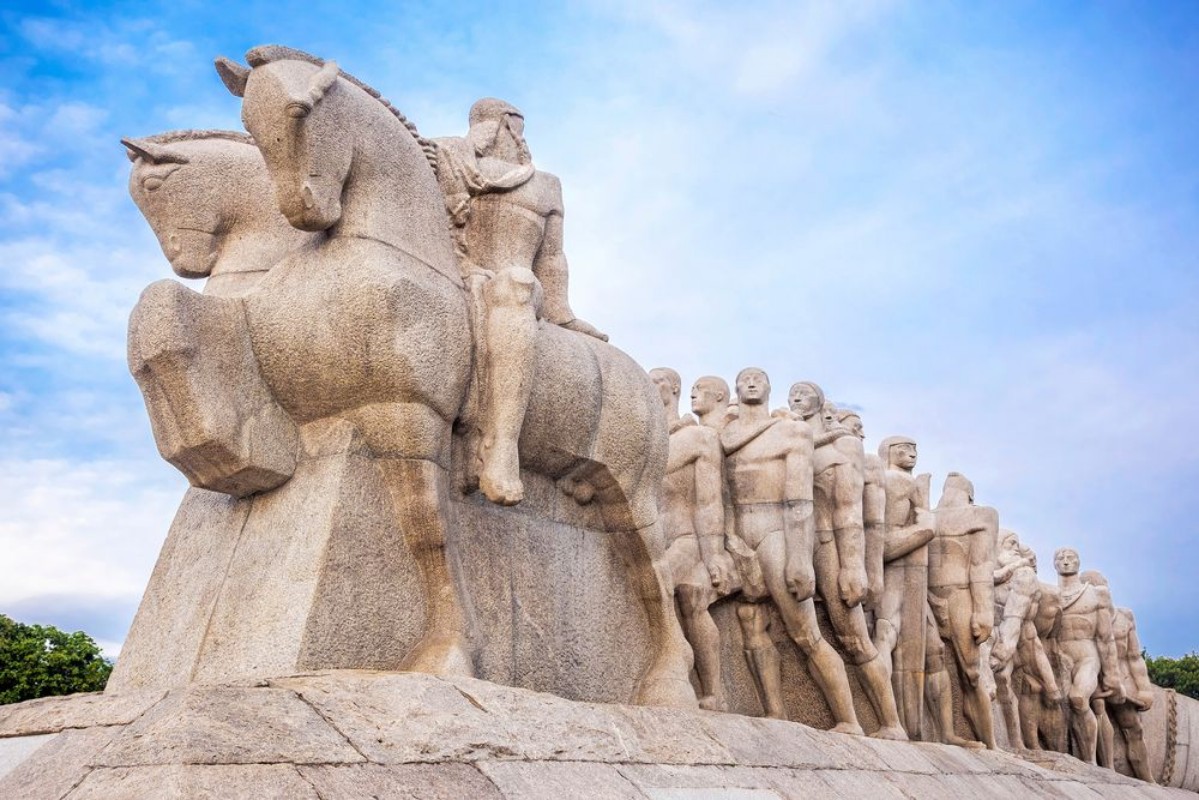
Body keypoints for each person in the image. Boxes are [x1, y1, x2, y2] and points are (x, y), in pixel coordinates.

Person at [435, 98, 606, 506]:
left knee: (515, 284)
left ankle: (502, 446)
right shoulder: (447, 156)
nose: (517, 136)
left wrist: (562, 314)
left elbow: (551, 258)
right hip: (461, 272)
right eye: (513, 126)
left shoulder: (545, 184)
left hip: (517, 285)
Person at [720, 368, 863, 734]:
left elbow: (799, 500)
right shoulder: (724, 434)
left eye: (759, 378)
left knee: (805, 632)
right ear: (735, 388)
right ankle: (774, 711)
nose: (751, 382)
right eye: (744, 378)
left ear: (769, 389)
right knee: (751, 623)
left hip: (775, 532)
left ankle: (848, 720)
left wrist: (800, 559)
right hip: (739, 536)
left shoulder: (790, 431)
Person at [788, 383, 906, 740]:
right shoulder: (790, 439)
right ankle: (847, 719)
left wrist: (855, 567)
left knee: (854, 638)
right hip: (796, 545)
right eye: (791, 393)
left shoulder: (844, 447)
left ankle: (890, 724)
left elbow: (850, 512)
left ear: (821, 403)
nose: (795, 398)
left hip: (830, 548)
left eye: (803, 393)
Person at [650, 368, 739, 710]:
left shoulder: (697, 438)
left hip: (686, 535)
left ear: (673, 389)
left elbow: (709, 500)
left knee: (679, 592)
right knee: (686, 600)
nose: (649, 385)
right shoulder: (643, 437)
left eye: (657, 381)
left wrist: (714, 553)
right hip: (653, 535)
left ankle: (706, 685)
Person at [1053, 548, 1125, 764]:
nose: (1065, 562)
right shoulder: (1050, 594)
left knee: (1078, 697)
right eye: (1060, 559)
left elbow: (1105, 638)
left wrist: (1112, 675)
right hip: (1061, 657)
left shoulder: (1097, 594)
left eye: (1070, 558)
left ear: (1079, 562)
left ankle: (1090, 760)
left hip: (1087, 656)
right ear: (1054, 565)